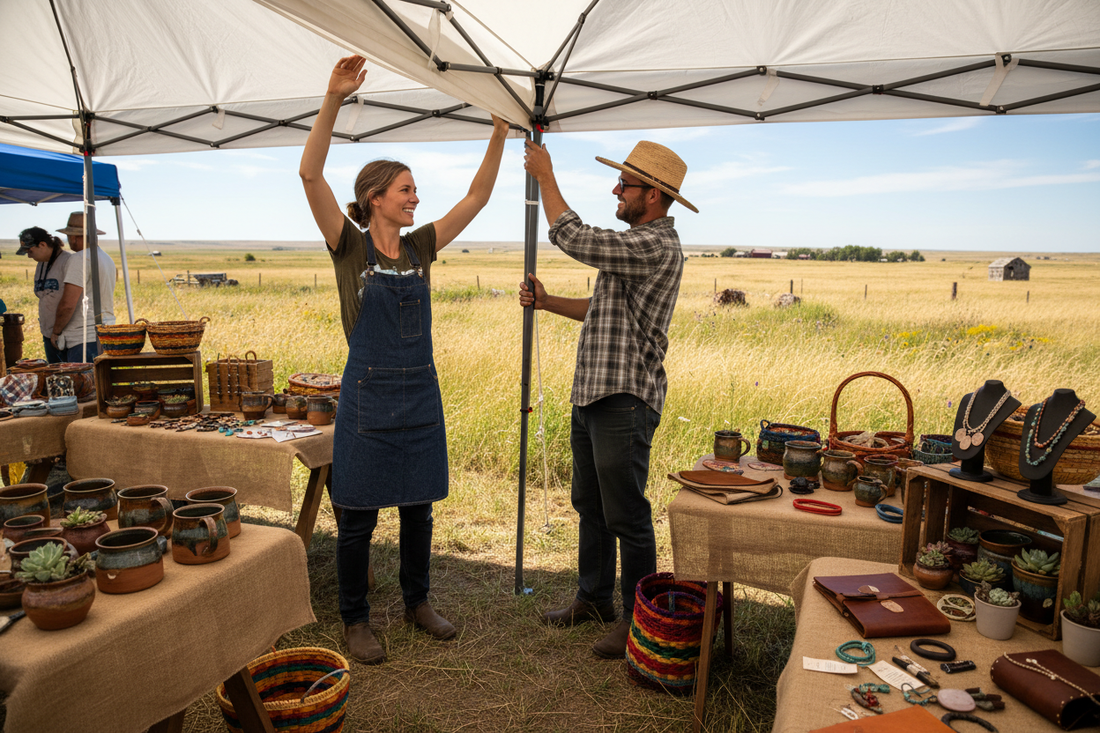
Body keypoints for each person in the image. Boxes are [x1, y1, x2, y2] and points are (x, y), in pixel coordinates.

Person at [300, 54, 509, 665]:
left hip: (419, 392)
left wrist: (497, 133)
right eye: (406, 190)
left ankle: (418, 601)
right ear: (374, 199)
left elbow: (477, 196)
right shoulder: (348, 244)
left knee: (419, 507)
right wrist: (334, 98)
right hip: (365, 397)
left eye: (415, 190)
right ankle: (356, 619)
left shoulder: (420, 247)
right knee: (358, 515)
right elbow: (311, 176)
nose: (416, 198)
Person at [519, 139, 697, 658]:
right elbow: (602, 309)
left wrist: (545, 176)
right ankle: (592, 599)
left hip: (624, 398)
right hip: (596, 393)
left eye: (626, 184)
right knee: (590, 504)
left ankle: (634, 619)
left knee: (626, 515)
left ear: (655, 195)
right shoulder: (637, 244)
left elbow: (573, 236)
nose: (616, 190)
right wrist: (549, 302)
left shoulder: (654, 244)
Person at [53, 212, 116, 362]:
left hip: (83, 339)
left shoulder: (79, 259)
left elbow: (68, 304)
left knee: (85, 384)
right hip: (105, 334)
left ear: (74, 237)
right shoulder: (106, 258)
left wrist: (56, 331)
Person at [17, 227, 73, 364]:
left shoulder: (68, 261)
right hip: (48, 333)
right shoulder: (40, 264)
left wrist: (57, 331)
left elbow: (70, 301)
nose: (29, 256)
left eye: (30, 251)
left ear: (42, 245)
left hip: (67, 334)